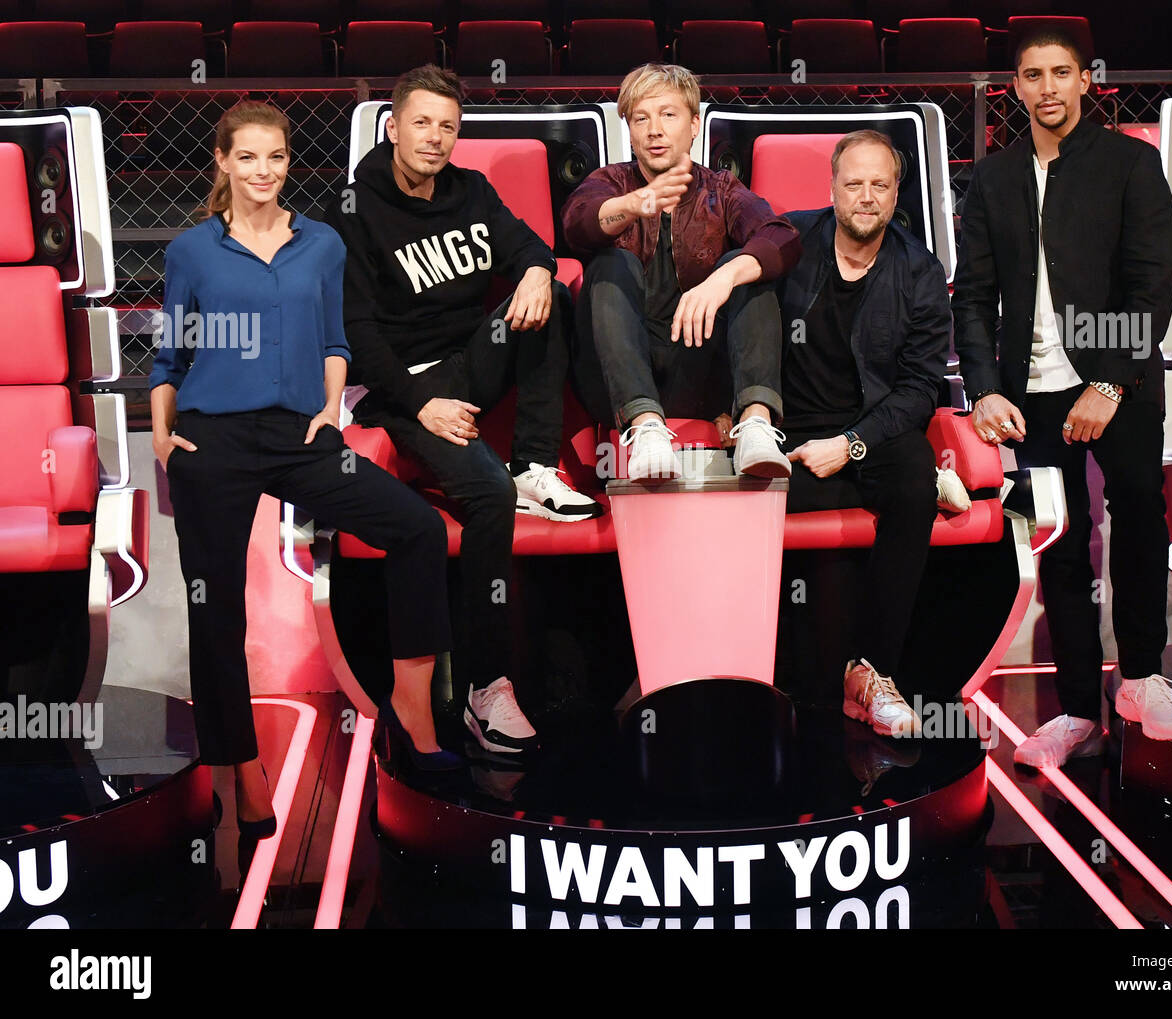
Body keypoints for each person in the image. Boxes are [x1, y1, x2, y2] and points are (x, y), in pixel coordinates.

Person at [150, 102, 459, 840]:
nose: (264, 171)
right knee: (215, 607)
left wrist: (329, 406)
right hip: (212, 439)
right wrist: (163, 438)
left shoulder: (320, 244)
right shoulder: (192, 252)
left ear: (291, 162)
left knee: (415, 527)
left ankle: (411, 705)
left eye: (277, 158)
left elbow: (334, 337)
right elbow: (168, 356)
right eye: (248, 158)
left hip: (301, 435)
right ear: (222, 163)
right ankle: (243, 769)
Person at [325, 65, 597, 756]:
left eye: (448, 126)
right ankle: (486, 687)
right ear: (393, 127)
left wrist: (537, 269)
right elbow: (357, 332)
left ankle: (537, 463)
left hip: (468, 362)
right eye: (422, 123)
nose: (436, 138)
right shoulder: (355, 208)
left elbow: (530, 248)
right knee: (485, 493)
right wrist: (422, 403)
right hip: (402, 389)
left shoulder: (471, 190)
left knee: (550, 294)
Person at [951, 30, 1172, 769]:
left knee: (1139, 514)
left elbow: (1153, 286)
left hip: (1117, 380)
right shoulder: (992, 179)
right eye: (1033, 75)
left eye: (1061, 72)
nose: (1048, 86)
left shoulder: (1130, 163)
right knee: (1057, 536)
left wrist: (1111, 381)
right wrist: (986, 390)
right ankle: (1079, 707)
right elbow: (975, 297)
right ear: (1014, 87)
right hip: (1030, 394)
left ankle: (1143, 677)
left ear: (1086, 81)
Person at [778, 130, 952, 737]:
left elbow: (919, 390)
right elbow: (738, 330)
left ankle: (872, 673)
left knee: (911, 479)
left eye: (880, 184)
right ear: (832, 188)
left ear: (897, 192)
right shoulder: (788, 243)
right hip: (787, 435)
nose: (867, 196)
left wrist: (850, 445)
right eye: (854, 184)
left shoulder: (920, 272)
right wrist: (741, 410)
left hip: (869, 436)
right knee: (741, 497)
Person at [561, 63, 801, 480]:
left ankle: (757, 424)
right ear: (630, 132)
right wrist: (634, 204)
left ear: (693, 126)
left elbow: (782, 238)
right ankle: (645, 426)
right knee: (610, 261)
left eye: (668, 115)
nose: (654, 130)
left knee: (746, 266)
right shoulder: (611, 182)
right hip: (616, 377)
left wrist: (725, 277)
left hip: (699, 370)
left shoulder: (722, 190)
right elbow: (577, 222)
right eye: (642, 118)